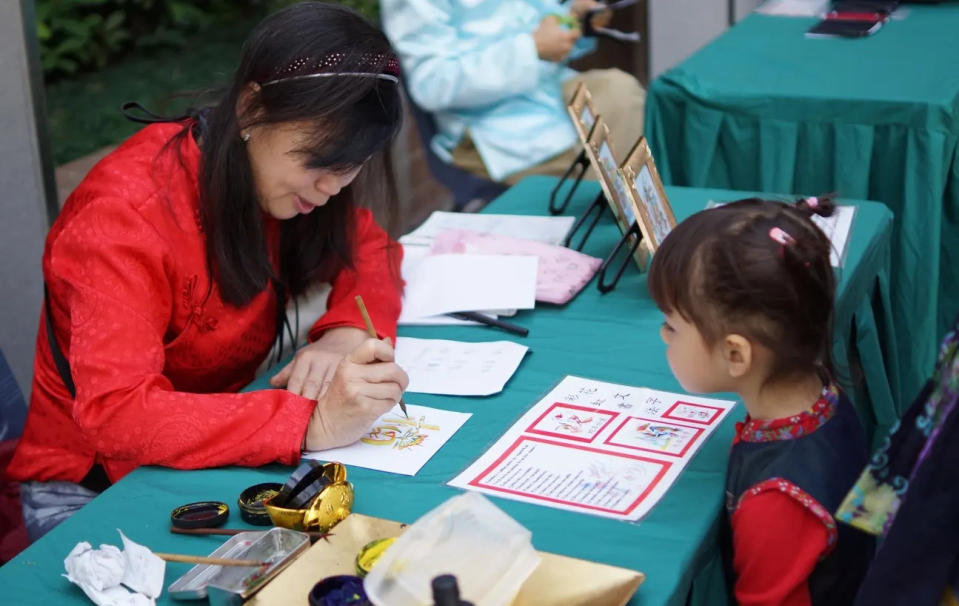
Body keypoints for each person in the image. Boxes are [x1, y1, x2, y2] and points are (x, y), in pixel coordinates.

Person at [7, 1, 409, 540]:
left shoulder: (292, 178)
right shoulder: (123, 217)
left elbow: (373, 248)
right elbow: (119, 416)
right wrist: (310, 422)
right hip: (94, 483)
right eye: (318, 162)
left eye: (351, 166)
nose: (332, 187)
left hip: (218, 445)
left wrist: (344, 332)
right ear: (250, 109)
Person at [647, 197, 874, 605]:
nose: (664, 336)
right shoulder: (822, 392)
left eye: (671, 326)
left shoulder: (775, 506)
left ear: (736, 355)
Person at [380, 0, 647, 184]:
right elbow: (432, 84)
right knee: (602, 180)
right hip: (496, 129)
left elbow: (539, 26)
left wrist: (573, 20)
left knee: (623, 92)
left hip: (550, 91)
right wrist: (530, 50)